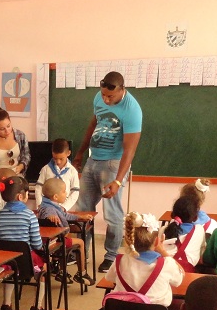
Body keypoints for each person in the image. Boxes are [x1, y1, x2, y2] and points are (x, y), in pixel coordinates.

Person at [72, 72, 142, 273]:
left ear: (122, 90)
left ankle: (111, 256)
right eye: (103, 95)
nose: (105, 99)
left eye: (110, 96)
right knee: (82, 210)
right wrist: (80, 153)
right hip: (93, 159)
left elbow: (130, 150)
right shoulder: (99, 97)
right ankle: (80, 251)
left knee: (112, 215)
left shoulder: (132, 109)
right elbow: (93, 124)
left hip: (113, 164)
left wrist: (118, 181)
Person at [0, 175, 48, 310]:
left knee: (12, 270)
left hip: (4, 262)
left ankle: (6, 305)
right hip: (26, 262)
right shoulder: (29, 216)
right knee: (44, 268)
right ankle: (37, 307)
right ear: (21, 196)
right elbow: (37, 244)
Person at [38, 177, 94, 285]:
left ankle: (62, 272)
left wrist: (79, 217)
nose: (66, 193)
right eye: (64, 191)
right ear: (55, 196)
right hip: (54, 241)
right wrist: (50, 218)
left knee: (65, 241)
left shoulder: (48, 205)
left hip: (55, 240)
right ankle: (81, 273)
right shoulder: (50, 209)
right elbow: (48, 216)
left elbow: (65, 215)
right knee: (80, 242)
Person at [162, 195, 206, 272]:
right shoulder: (199, 229)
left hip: (165, 270)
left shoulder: (163, 230)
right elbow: (202, 252)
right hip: (187, 272)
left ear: (173, 215)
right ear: (195, 217)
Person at [35, 138, 79, 211]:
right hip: (47, 207)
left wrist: (64, 207)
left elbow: (75, 192)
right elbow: (38, 188)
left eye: (61, 159)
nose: (58, 162)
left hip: (65, 209)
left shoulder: (72, 171)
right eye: (55, 158)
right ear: (52, 153)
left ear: (68, 153)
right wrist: (40, 205)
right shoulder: (46, 169)